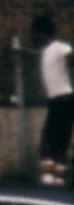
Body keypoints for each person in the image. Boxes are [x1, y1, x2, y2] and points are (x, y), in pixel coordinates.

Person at [35, 11, 74, 187]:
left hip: (63, 98)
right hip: (56, 100)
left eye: (36, 33)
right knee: (57, 136)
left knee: (51, 137)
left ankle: (55, 174)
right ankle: (57, 173)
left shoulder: (58, 47)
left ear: (45, 33)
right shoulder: (45, 51)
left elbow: (70, 54)